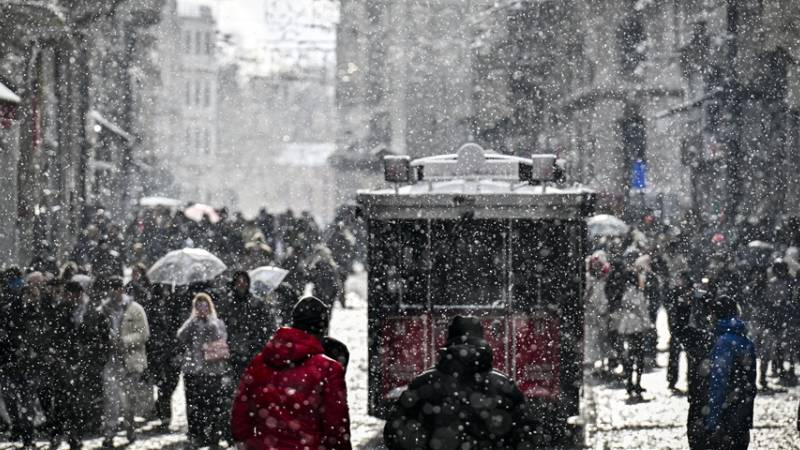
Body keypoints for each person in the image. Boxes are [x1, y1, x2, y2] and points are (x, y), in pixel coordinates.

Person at [383, 316, 533, 449]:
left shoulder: (423, 383)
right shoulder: (504, 386)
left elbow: (393, 435)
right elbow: (529, 436)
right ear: (482, 340)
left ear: (448, 341)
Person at [230, 296, 351, 450]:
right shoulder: (328, 369)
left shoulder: (259, 363)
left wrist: (248, 442)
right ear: (323, 327)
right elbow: (336, 426)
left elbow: (240, 417)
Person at [99, 276, 150, 448]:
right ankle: (110, 432)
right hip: (111, 360)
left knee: (130, 399)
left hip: (130, 360)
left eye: (118, 287)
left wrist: (124, 341)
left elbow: (143, 334)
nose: (115, 291)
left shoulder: (135, 309)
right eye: (112, 288)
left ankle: (129, 427)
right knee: (111, 399)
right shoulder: (104, 309)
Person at [177, 293, 230, 447]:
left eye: (204, 305)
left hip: (213, 370)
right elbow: (181, 336)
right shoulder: (191, 322)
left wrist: (210, 325)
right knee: (194, 404)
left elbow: (222, 340)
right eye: (198, 306)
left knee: (213, 404)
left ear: (209, 306)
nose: (202, 309)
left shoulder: (217, 322)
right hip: (193, 369)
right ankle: (196, 433)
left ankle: (213, 432)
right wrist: (193, 322)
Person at [705, 295, 756, 450]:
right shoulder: (745, 340)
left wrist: (712, 422)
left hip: (725, 417)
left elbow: (718, 384)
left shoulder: (723, 342)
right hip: (742, 416)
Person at [217, 271, 276, 379]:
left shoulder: (257, 303)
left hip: (253, 350)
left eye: (244, 281)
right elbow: (220, 326)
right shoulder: (226, 303)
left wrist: (260, 343)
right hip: (232, 353)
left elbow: (268, 325)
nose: (242, 284)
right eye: (239, 281)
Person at [617, 260, 654, 400]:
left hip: (627, 326)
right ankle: (636, 382)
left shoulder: (626, 293)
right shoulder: (638, 294)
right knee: (638, 356)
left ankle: (630, 382)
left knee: (630, 356)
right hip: (636, 327)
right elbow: (643, 310)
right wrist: (648, 324)